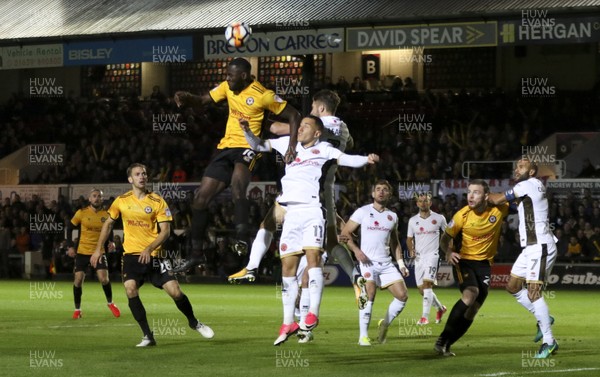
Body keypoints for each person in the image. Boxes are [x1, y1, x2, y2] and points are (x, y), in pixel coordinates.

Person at [239, 115, 379, 345]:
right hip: (290, 213)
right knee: (287, 267)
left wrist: (367, 159)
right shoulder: (288, 143)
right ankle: (288, 322)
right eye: (300, 125)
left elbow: (346, 159)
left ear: (316, 133)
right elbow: (259, 145)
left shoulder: (324, 148)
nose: (300, 128)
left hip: (313, 210)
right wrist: (246, 131)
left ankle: (312, 312)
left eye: (305, 126)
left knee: (314, 258)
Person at [173, 57, 301, 272]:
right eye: (227, 76)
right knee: (199, 200)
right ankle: (196, 254)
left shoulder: (264, 95)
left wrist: (292, 146)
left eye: (230, 76)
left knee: (237, 187)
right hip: (226, 148)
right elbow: (204, 100)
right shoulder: (227, 87)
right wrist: (188, 98)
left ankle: (242, 238)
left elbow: (295, 115)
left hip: (249, 146)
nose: (227, 79)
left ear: (243, 76)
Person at [228, 89, 359, 293]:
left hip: (313, 192)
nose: (311, 113)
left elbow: (280, 128)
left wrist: (258, 117)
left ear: (321, 108)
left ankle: (350, 278)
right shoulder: (343, 127)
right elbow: (350, 143)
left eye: (314, 108)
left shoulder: (319, 125)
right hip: (323, 188)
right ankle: (253, 268)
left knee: (320, 246)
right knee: (272, 223)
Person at [90, 163, 214, 347]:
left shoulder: (157, 201)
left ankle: (194, 322)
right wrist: (98, 248)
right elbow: (108, 224)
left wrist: (149, 248)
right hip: (131, 256)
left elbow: (165, 231)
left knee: (176, 292)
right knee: (130, 289)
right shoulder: (121, 201)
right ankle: (148, 336)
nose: (142, 177)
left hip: (155, 255)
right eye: (138, 174)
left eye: (145, 174)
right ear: (130, 179)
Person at [488, 158, 559, 359]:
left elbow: (495, 199)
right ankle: (544, 318)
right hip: (529, 248)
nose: (516, 169)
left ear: (532, 171)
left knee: (533, 291)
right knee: (512, 286)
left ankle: (549, 341)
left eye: (521, 166)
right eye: (516, 166)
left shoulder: (526, 185)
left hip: (540, 245)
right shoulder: (530, 187)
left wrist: (479, 193)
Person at [434, 179, 508, 357]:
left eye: (476, 192)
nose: (471, 196)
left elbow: (520, 197)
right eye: (469, 192)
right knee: (470, 294)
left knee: (473, 309)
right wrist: (449, 251)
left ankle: (448, 344)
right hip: (464, 260)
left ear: (486, 196)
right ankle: (442, 339)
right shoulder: (462, 215)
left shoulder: (499, 209)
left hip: (484, 265)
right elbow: (444, 239)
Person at [340, 179, 410, 346]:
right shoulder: (362, 212)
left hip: (386, 263)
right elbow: (344, 233)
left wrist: (401, 264)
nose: (381, 192)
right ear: (373, 193)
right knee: (369, 294)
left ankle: (384, 324)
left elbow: (395, 243)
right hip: (367, 263)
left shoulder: (392, 216)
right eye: (378, 189)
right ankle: (363, 336)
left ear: (389, 194)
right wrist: (356, 251)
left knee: (403, 296)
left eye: (385, 189)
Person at [66, 188, 120, 319]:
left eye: (99, 196)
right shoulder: (81, 213)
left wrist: (111, 241)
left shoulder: (106, 214)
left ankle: (110, 303)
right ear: (89, 199)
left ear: (102, 199)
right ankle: (77, 310)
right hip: (83, 252)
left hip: (99, 252)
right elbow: (69, 228)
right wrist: (70, 246)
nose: (97, 198)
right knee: (78, 280)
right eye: (94, 196)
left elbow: (109, 230)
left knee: (104, 279)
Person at [406, 192, 447, 325]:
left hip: (432, 256)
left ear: (430, 203)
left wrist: (448, 251)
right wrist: (411, 250)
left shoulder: (439, 218)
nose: (423, 203)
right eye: (421, 201)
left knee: (427, 284)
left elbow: (447, 235)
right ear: (417, 203)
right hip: (419, 258)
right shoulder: (412, 220)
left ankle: (424, 317)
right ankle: (440, 308)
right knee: (421, 290)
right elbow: (409, 239)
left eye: (426, 201)